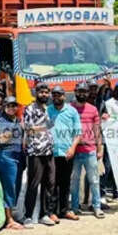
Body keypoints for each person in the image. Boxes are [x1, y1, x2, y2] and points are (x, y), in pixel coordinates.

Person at [22, 82, 58, 227]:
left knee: (49, 183)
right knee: (33, 184)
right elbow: (28, 129)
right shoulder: (30, 108)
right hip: (35, 151)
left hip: (48, 150)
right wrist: (45, 127)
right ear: (36, 93)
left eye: (46, 92)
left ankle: (44, 214)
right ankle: (28, 216)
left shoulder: (47, 108)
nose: (44, 95)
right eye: (41, 92)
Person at [71, 82, 105, 218]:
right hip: (74, 151)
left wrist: (99, 147)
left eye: (84, 91)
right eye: (80, 91)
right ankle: (74, 207)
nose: (82, 94)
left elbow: (97, 130)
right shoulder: (69, 108)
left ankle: (97, 206)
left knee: (94, 180)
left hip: (90, 150)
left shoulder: (93, 109)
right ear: (75, 92)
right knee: (74, 182)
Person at [48, 86, 81, 220]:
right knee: (52, 183)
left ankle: (64, 210)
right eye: (54, 95)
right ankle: (51, 212)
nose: (56, 97)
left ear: (64, 96)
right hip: (51, 152)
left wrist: (73, 148)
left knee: (65, 182)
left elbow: (78, 132)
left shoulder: (72, 111)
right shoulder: (47, 110)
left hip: (67, 152)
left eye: (59, 95)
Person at [0, 96, 25, 230]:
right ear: (4, 107)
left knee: (16, 185)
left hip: (18, 156)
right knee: (10, 187)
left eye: (14, 106)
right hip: (6, 157)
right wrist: (13, 129)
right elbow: (1, 139)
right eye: (9, 106)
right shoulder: (2, 121)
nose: (12, 108)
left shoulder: (17, 120)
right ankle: (9, 220)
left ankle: (10, 214)